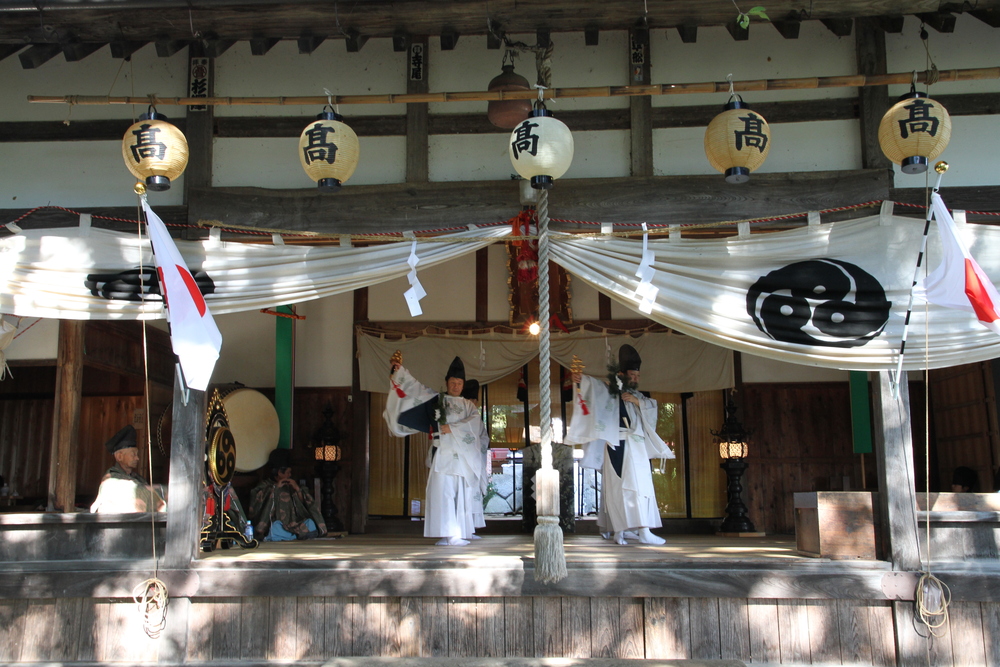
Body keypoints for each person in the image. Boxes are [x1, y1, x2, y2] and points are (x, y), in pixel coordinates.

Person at [565, 344, 674, 545]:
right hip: (617, 444)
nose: (635, 379)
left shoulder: (638, 396)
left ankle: (638, 529)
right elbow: (595, 389)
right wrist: (582, 381)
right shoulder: (610, 390)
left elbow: (651, 407)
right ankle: (622, 529)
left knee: (639, 487)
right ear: (622, 375)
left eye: (637, 376)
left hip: (635, 447)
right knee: (620, 487)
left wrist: (637, 402)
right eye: (632, 375)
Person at [384, 355, 482, 546]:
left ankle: (459, 532)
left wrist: (451, 428)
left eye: (459, 382)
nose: (456, 386)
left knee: (460, 493)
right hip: (442, 453)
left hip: (462, 457)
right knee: (442, 493)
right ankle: (447, 534)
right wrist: (399, 372)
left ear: (463, 385)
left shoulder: (469, 406)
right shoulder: (437, 399)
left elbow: (475, 424)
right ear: (447, 383)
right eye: (452, 382)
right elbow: (415, 388)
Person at [248, 448, 326, 541]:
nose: (290, 475)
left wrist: (297, 490)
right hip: (277, 524)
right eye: (288, 472)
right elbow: (256, 507)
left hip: (295, 524)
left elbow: (305, 505)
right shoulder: (265, 486)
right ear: (279, 472)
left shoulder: (292, 485)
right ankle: (294, 536)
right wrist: (274, 489)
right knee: (274, 529)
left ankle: (293, 535)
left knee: (311, 523)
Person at [90, 425, 167, 513]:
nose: (137, 458)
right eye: (133, 454)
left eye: (137, 454)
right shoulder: (111, 479)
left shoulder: (137, 477)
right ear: (119, 456)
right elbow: (139, 492)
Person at [461, 379, 490, 538]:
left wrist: (478, 443)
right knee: (462, 496)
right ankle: (461, 529)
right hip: (463, 462)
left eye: (474, 400)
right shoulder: (461, 416)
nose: (472, 403)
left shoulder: (477, 418)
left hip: (475, 459)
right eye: (469, 400)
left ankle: (470, 529)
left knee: (473, 495)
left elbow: (484, 438)